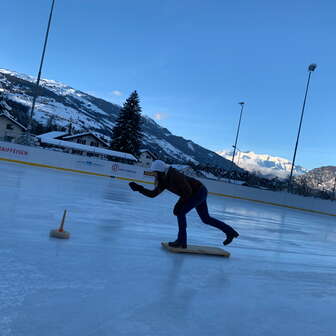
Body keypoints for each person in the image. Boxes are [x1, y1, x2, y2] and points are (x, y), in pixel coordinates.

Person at [129, 160, 239, 249]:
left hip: (198, 191)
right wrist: (140, 188)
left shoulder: (174, 175)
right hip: (197, 192)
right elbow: (153, 194)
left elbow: (187, 192)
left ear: (161, 171)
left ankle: (181, 241)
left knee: (180, 212)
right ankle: (230, 232)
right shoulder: (163, 179)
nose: (154, 175)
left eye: (155, 172)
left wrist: (178, 204)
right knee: (205, 219)